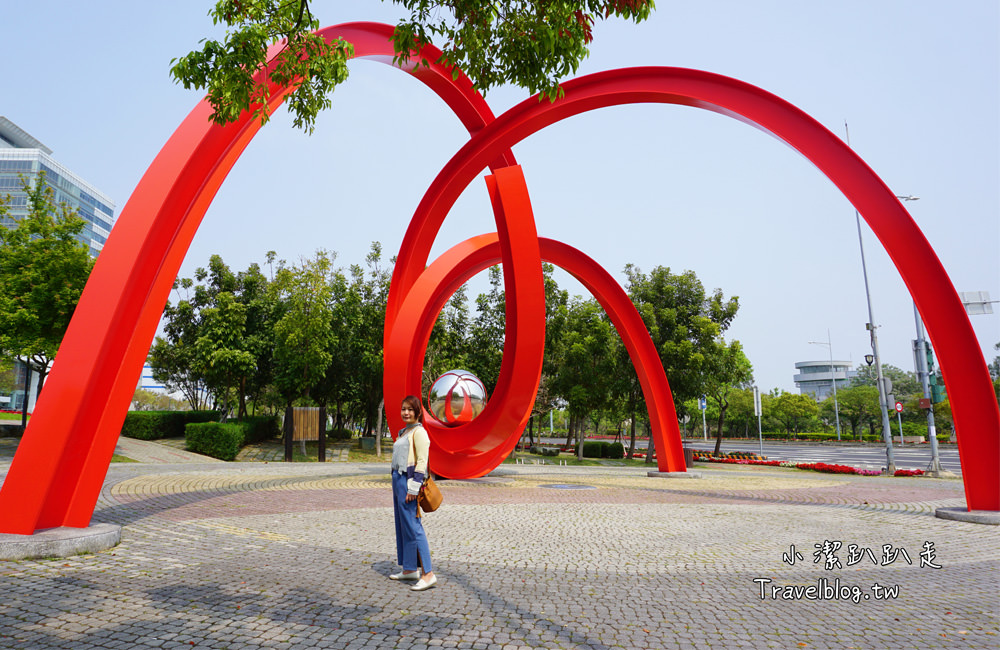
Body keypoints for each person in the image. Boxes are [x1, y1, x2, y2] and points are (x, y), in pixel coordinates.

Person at [389, 395, 437, 591]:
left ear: (418, 412)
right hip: (397, 481)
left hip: (408, 482)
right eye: (403, 409)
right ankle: (409, 569)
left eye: (410, 409)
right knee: (403, 525)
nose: (406, 412)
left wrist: (413, 488)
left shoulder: (419, 433)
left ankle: (428, 573)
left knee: (414, 527)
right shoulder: (404, 432)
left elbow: (422, 462)